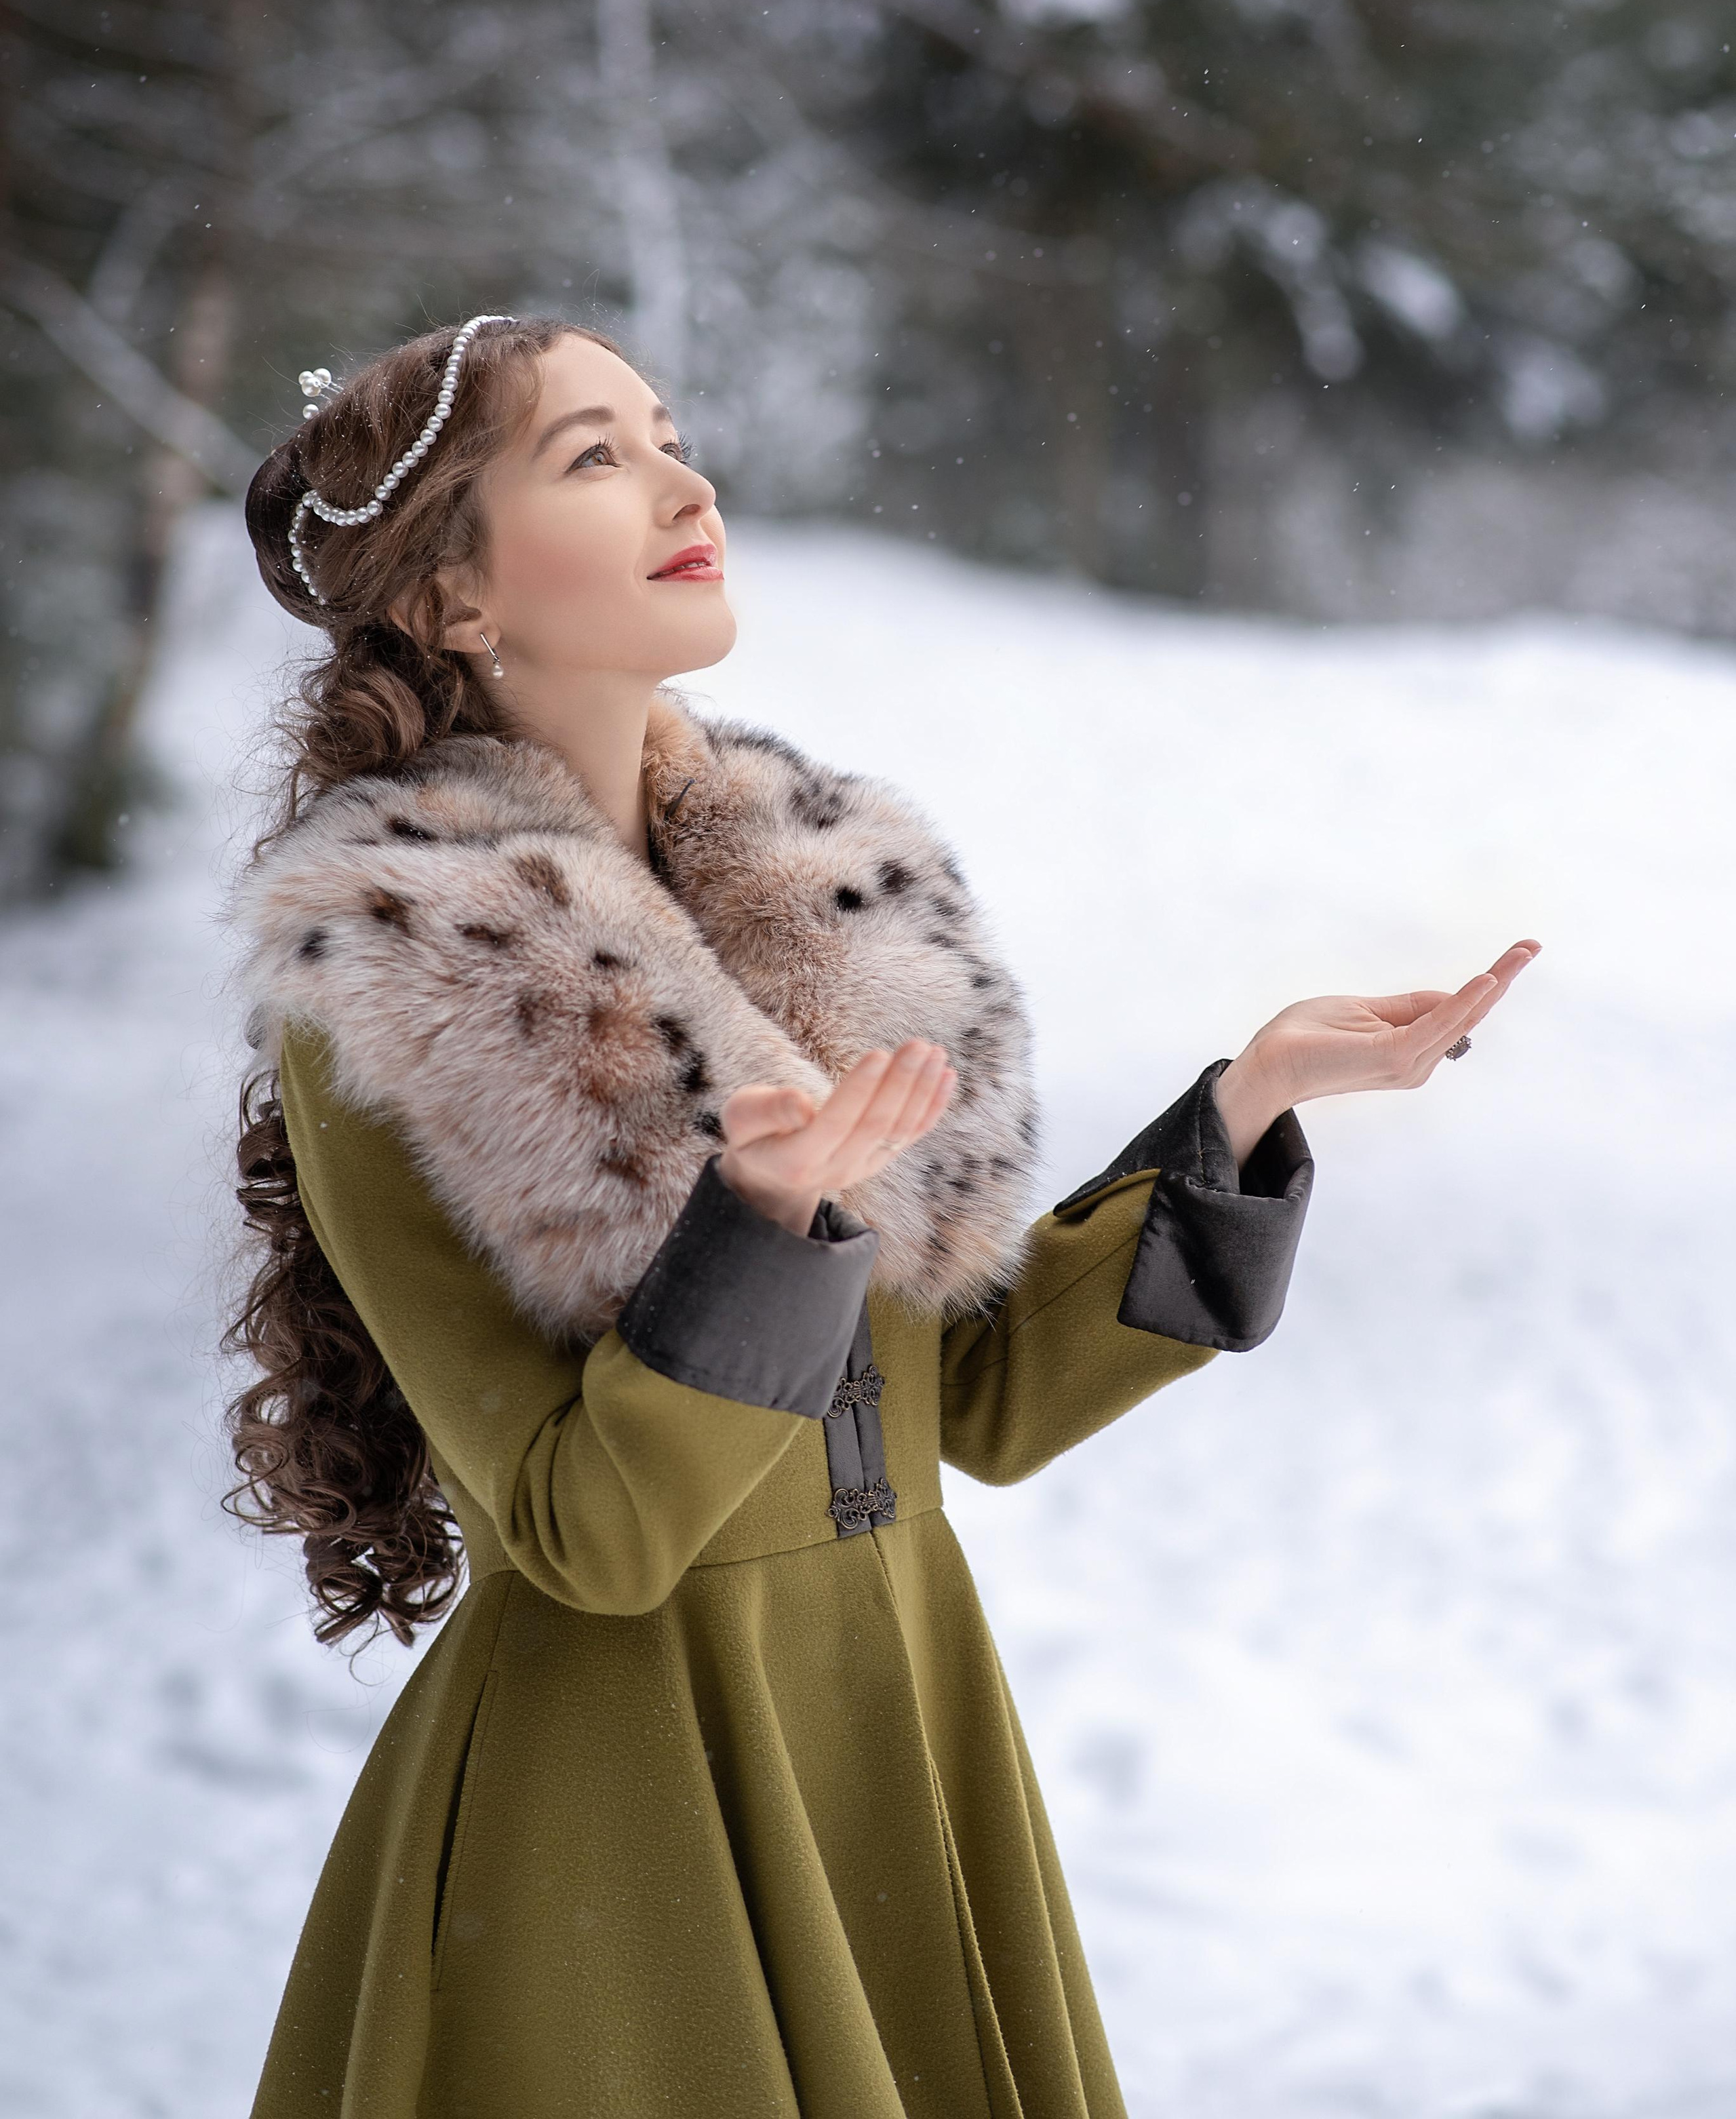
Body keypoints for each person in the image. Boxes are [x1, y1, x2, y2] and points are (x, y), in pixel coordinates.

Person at [226, 311, 1535, 2119]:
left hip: (898, 1730)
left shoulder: (823, 893)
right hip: (627, 1826)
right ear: (456, 596)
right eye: (598, 455)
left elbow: (974, 1404)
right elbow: (582, 1535)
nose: (689, 481)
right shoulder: (394, 973)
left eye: (670, 429)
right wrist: (760, 1231)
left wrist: (1248, 1106)